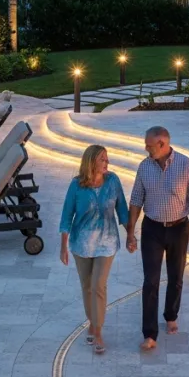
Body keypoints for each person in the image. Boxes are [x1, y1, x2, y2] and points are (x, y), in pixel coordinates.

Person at [126, 126, 189, 351]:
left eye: (149, 145)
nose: (146, 149)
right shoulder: (144, 166)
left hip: (179, 228)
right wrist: (131, 232)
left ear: (162, 144)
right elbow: (136, 200)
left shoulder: (185, 164)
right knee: (150, 280)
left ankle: (171, 314)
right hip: (152, 228)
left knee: (176, 277)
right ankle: (150, 333)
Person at [59, 145, 129, 355]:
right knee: (87, 286)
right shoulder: (76, 185)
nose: (107, 163)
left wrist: (131, 234)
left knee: (99, 285)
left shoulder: (113, 181)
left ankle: (97, 331)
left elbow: (122, 209)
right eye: (103, 160)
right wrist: (63, 246)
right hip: (81, 244)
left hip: (107, 242)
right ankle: (93, 322)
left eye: (107, 159)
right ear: (91, 162)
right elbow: (66, 215)